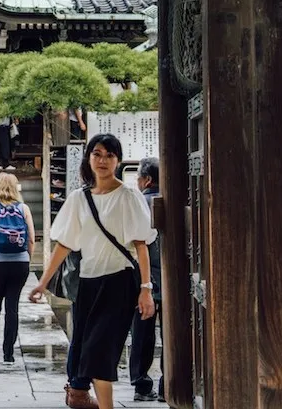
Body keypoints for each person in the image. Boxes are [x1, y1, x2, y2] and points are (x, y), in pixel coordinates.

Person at [29, 134, 157, 409]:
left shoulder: (129, 196)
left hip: (120, 284)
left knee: (100, 352)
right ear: (88, 158)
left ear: (118, 161)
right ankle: (82, 395)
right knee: (89, 350)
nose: (103, 161)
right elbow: (65, 245)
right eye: (97, 154)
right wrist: (43, 282)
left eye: (109, 156)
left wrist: (146, 290)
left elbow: (141, 245)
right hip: (87, 284)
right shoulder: (79, 198)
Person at [0, 172, 35, 365]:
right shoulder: (24, 208)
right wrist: (27, 258)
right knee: (12, 307)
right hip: (20, 262)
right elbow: (32, 239)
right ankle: (9, 353)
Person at [129, 157, 163, 402]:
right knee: (174, 333)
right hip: (173, 280)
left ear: (147, 179)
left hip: (143, 280)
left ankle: (141, 384)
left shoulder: (138, 205)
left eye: (139, 177)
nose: (137, 182)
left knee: (142, 333)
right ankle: (169, 385)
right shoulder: (177, 201)